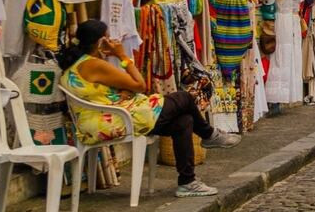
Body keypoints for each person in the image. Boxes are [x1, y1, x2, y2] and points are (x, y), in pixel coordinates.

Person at [58, 19, 240, 197]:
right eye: (108, 37)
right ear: (101, 42)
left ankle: (188, 182)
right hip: (113, 121)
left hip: (105, 118)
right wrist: (122, 56)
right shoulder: (94, 64)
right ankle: (209, 135)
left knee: (184, 121)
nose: (113, 41)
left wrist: (125, 89)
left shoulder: (80, 64)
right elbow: (140, 85)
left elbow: (112, 89)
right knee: (184, 98)